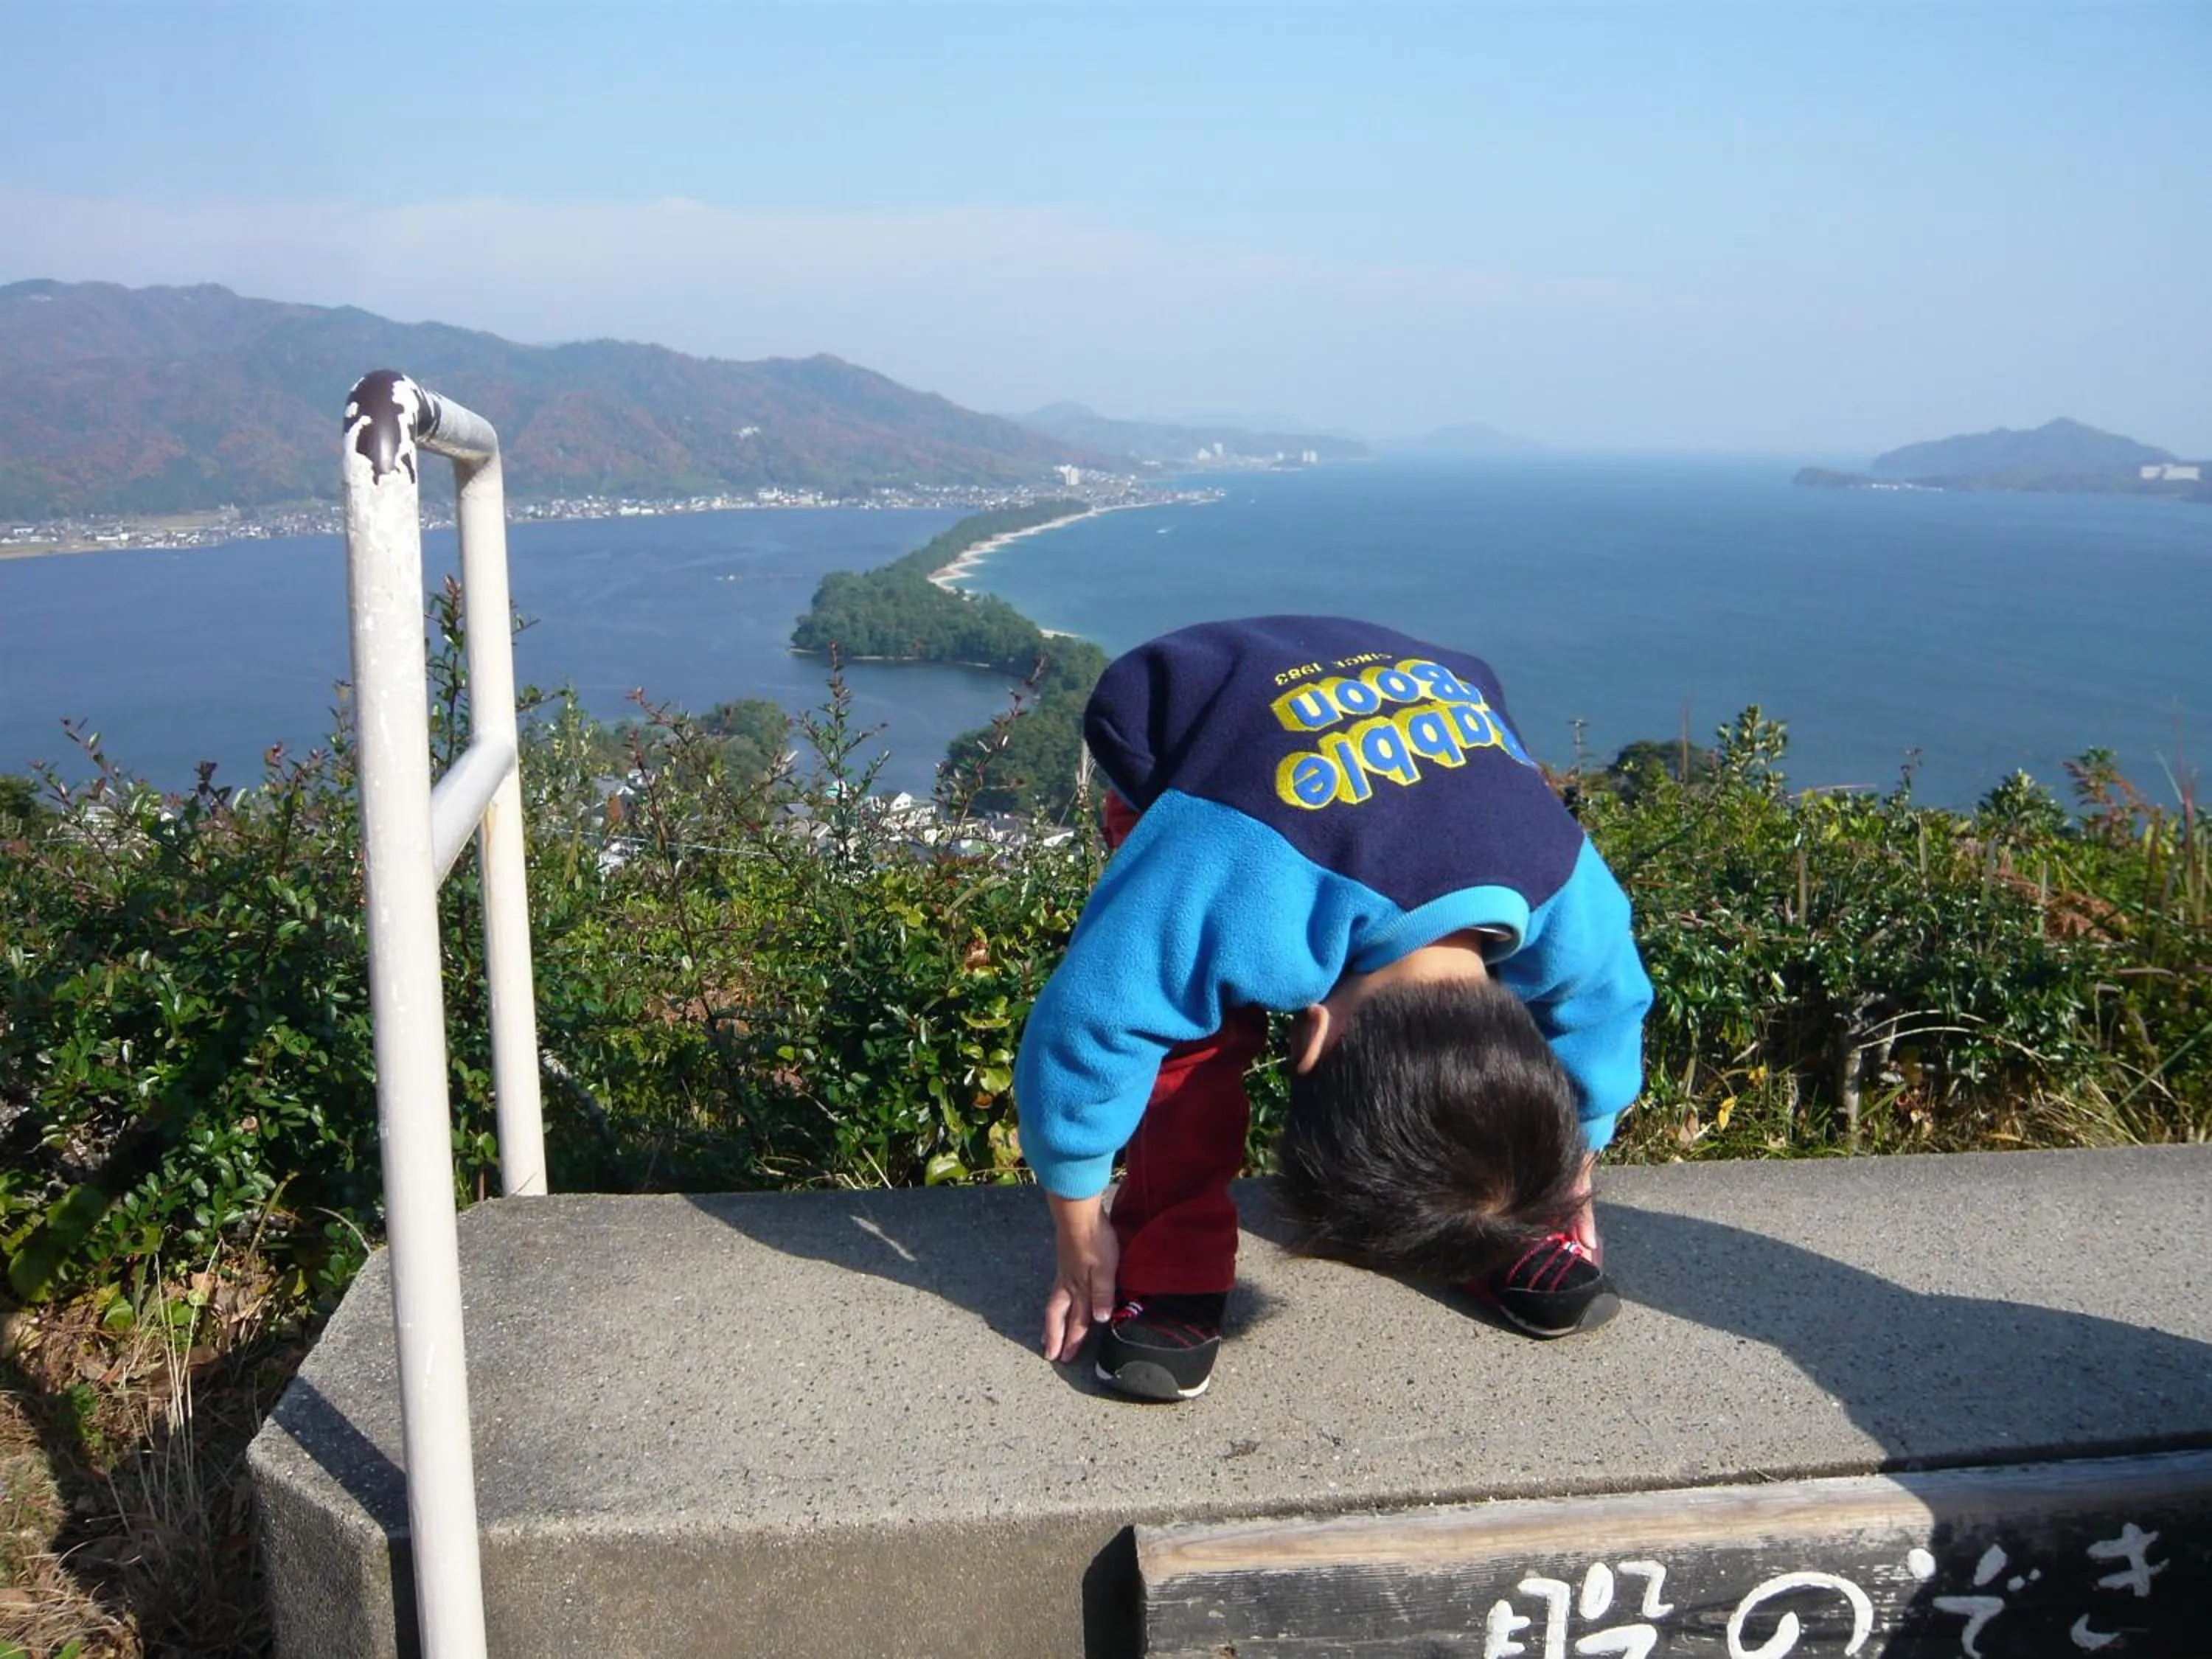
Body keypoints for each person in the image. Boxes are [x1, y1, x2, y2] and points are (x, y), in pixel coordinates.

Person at [1013, 616, 1653, 1401]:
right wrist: (1079, 1221)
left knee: (1467, 1130)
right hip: (1205, 762)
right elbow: (1097, 1024)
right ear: (1308, 1033)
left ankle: (1470, 1221)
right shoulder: (1231, 870)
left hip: (1400, 772)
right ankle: (1171, 1252)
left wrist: (1554, 1170)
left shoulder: (1563, 884)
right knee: (1189, 1042)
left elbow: (1606, 1010)